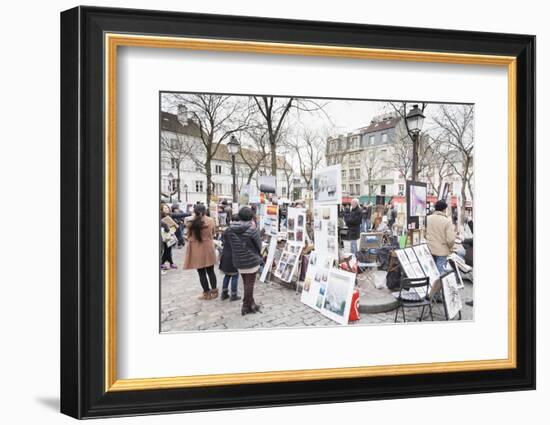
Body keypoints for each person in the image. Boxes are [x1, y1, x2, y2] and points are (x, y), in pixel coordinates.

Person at [225, 207, 263, 315]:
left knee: (246, 283)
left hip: (238, 260)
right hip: (251, 260)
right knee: (249, 284)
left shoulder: (230, 229)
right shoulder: (252, 229)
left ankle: (252, 304)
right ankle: (245, 306)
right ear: (250, 217)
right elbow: (259, 246)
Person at [183, 204, 218, 300]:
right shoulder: (210, 221)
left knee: (201, 272)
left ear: (194, 211)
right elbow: (213, 233)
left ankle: (206, 293)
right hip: (208, 247)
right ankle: (214, 292)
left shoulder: (189, 222)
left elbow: (188, 235)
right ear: (205, 211)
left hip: (196, 248)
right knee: (211, 271)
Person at [425, 200, 456, 273]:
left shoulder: (427, 218)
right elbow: (450, 239)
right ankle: (439, 284)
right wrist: (450, 247)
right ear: (444, 209)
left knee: (431, 271)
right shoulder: (447, 221)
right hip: (442, 250)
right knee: (440, 273)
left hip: (429, 248)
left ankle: (431, 284)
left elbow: (424, 234)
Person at [219, 218, 241, 301]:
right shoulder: (238, 232)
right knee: (235, 275)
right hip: (233, 256)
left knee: (227, 275)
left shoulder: (226, 231)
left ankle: (224, 294)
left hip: (225, 255)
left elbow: (222, 242)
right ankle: (234, 295)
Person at [160, 203, 178, 270]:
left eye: (167, 207)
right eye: (165, 208)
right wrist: (165, 226)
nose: (166, 209)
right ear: (161, 209)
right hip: (164, 236)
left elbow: (173, 225)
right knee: (167, 250)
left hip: (170, 235)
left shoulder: (169, 215)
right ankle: (165, 263)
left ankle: (169, 263)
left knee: (168, 250)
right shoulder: (161, 217)